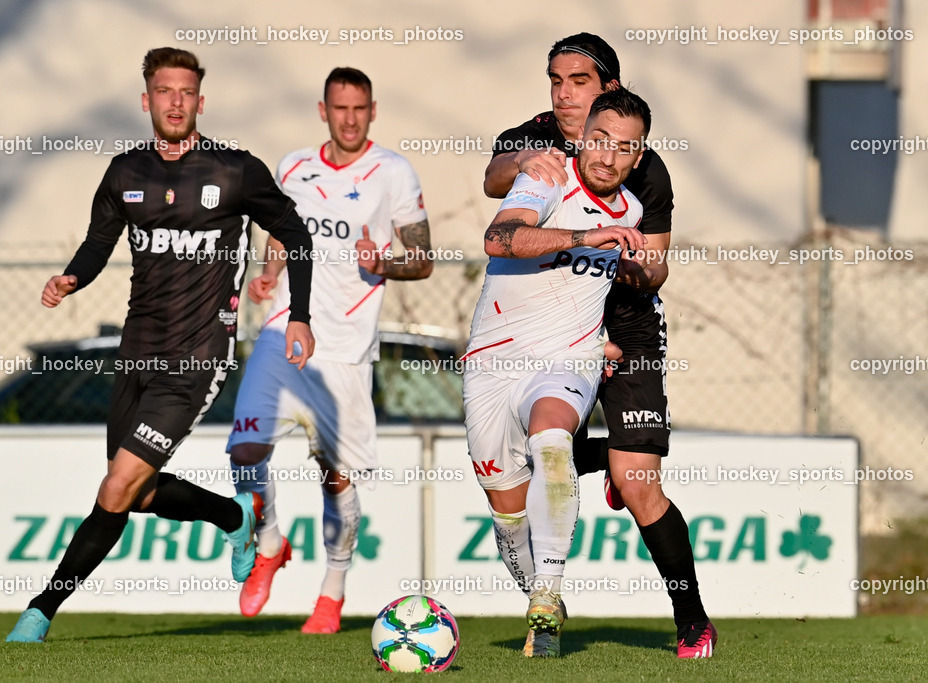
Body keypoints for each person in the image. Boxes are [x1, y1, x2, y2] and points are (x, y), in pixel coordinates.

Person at [6, 47, 315, 643]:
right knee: (139, 494)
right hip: (136, 352)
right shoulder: (126, 173)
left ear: (201, 100)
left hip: (196, 358)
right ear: (146, 100)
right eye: (165, 92)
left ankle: (40, 610)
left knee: (116, 488)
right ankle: (232, 517)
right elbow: (98, 245)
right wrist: (72, 277)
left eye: (187, 92)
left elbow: (295, 233)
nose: (177, 102)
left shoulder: (234, 170)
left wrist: (298, 316)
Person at [484, 33, 716, 659]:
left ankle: (692, 620)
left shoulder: (645, 166)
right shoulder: (536, 134)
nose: (563, 94)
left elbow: (657, 268)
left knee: (637, 482)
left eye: (579, 81)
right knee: (534, 463)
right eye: (555, 80)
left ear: (609, 89)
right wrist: (526, 165)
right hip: (552, 332)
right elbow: (493, 178)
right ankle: (548, 601)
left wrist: (626, 258)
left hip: (627, 328)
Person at [226, 67, 433, 634]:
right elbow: (279, 233)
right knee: (245, 448)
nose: (349, 118)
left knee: (334, 477)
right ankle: (268, 545)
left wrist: (383, 263)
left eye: (359, 108)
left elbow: (424, 258)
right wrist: (268, 275)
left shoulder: (393, 172)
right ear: (323, 110)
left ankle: (332, 589)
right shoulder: (292, 166)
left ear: (372, 110)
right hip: (284, 333)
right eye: (339, 108)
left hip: (345, 349)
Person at [465, 89, 649, 657]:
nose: (607, 157)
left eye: (624, 148)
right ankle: (536, 593)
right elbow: (499, 237)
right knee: (507, 508)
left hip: (568, 359)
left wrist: (639, 284)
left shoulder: (634, 214)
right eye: (599, 141)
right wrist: (584, 238)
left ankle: (548, 592)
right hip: (493, 360)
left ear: (638, 157)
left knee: (551, 436)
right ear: (583, 139)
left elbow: (633, 277)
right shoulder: (547, 176)